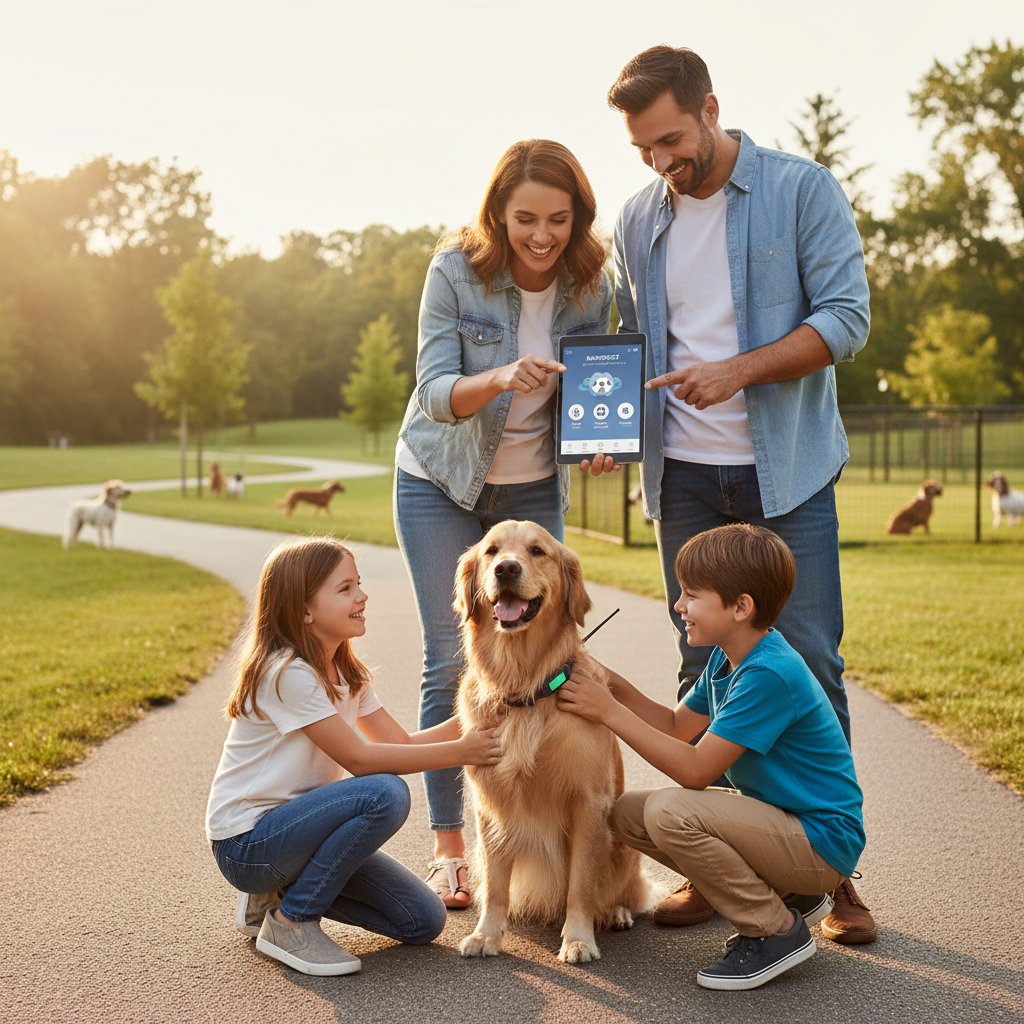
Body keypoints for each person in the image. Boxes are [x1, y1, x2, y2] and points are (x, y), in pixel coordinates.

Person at [606, 44, 875, 941]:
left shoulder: (802, 190)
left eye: (672, 140)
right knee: (700, 659)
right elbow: (629, 343)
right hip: (682, 475)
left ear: (711, 108)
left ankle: (835, 876)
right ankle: (715, 865)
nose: (660, 163)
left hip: (784, 470)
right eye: (644, 148)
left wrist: (739, 374)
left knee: (808, 659)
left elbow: (846, 319)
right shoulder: (639, 218)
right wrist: (603, 430)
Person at [393, 139, 613, 908]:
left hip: (531, 489)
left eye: (559, 219)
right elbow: (432, 392)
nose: (543, 236)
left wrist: (595, 442)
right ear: (499, 214)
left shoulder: (592, 286)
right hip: (440, 480)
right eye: (525, 219)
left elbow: (595, 386)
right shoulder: (456, 269)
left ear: (577, 218)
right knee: (448, 660)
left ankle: (548, 817)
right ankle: (451, 847)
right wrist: (499, 377)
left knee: (549, 652)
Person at [557, 524, 866, 990]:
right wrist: (608, 680)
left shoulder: (768, 674)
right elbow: (676, 725)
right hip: (783, 826)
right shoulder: (728, 658)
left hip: (821, 842)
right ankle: (791, 893)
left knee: (669, 812)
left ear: (741, 607)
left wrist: (609, 711)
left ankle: (774, 930)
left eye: (691, 596)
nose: (679, 606)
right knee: (626, 814)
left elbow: (696, 770)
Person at [204, 537, 502, 977]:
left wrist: (485, 711)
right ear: (304, 609)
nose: (362, 596)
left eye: (358, 585)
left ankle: (276, 895)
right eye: (345, 589)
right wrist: (463, 751)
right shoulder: (287, 674)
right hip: (249, 845)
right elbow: (364, 760)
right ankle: (291, 921)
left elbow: (400, 744)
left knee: (423, 919)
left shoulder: (347, 673)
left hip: (303, 835)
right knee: (384, 793)